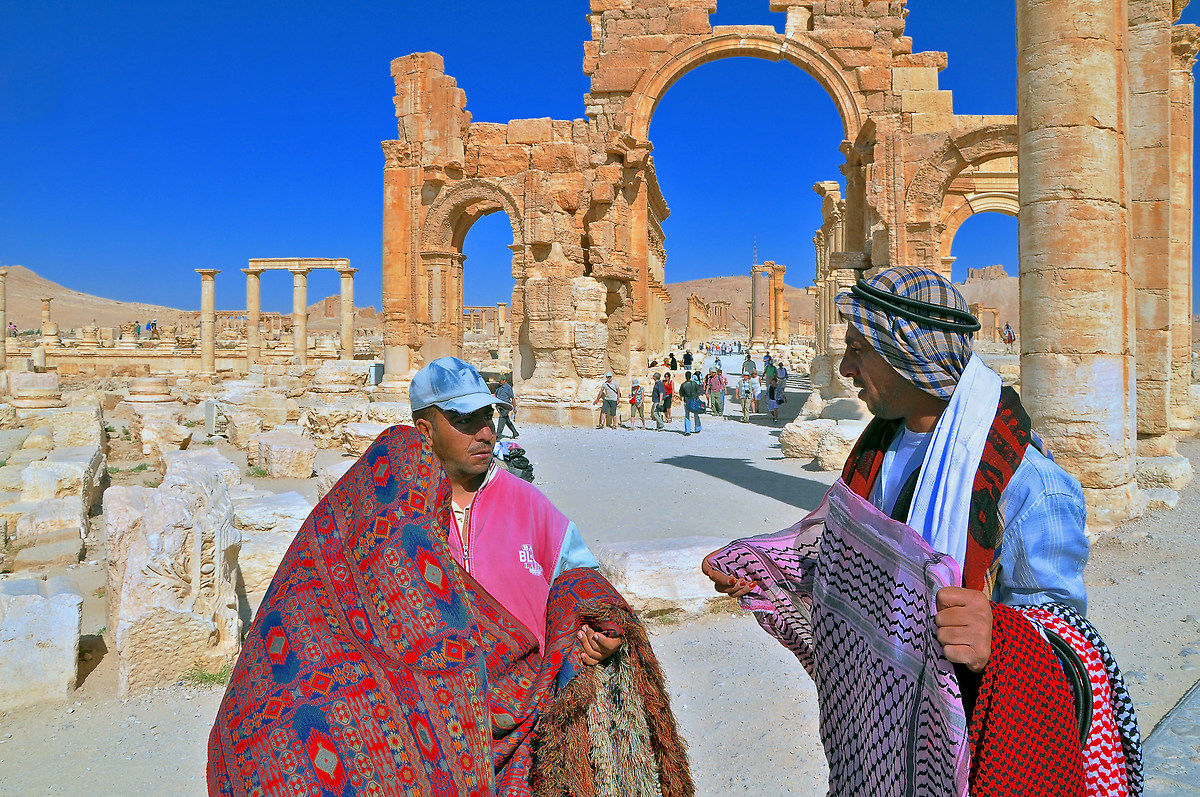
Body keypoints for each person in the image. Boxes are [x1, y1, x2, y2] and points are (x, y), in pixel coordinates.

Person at [703, 267, 1139, 794]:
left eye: (859, 349)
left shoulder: (1029, 486)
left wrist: (998, 637)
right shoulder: (875, 452)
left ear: (909, 350)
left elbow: (1071, 641)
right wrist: (762, 565)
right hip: (873, 742)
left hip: (972, 747)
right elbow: (845, 554)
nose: (845, 367)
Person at [209, 357, 693, 794]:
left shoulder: (527, 504)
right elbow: (316, 602)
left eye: (489, 416)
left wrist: (600, 626)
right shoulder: (385, 510)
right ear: (425, 430)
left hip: (523, 731)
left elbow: (579, 574)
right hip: (425, 735)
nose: (484, 432)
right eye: (464, 420)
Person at [678, 369, 703, 436]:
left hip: (687, 401)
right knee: (696, 414)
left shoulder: (683, 385)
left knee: (687, 416)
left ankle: (687, 431)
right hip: (694, 400)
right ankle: (697, 428)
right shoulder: (694, 384)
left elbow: (681, 394)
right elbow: (698, 391)